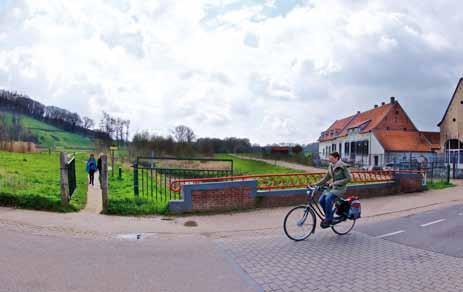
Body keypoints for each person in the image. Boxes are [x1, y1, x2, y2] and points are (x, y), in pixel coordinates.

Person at [314, 152, 352, 228]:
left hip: (340, 188)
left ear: (337, 158)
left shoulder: (343, 166)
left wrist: (335, 183)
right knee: (321, 200)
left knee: (328, 199)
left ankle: (328, 219)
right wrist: (315, 184)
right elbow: (326, 178)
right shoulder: (331, 166)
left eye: (331, 159)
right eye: (329, 158)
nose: (329, 160)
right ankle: (329, 216)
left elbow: (349, 178)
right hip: (332, 188)